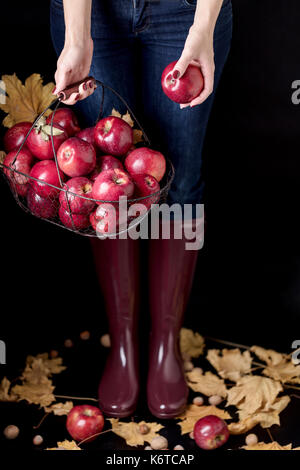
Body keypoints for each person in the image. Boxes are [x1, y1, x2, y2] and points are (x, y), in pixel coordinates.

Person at [50, 0, 232, 419]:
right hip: (91, 9)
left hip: (186, 9)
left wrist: (203, 27)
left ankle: (165, 341)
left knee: (182, 180)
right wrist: (78, 36)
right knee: (103, 182)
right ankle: (124, 344)